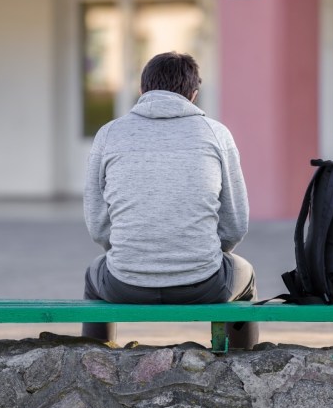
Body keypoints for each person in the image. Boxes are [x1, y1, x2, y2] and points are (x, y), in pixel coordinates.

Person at [81, 51, 259, 349]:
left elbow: (98, 225)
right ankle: (242, 366)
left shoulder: (109, 134)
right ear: (193, 94)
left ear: (142, 91)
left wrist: (134, 254)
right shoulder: (216, 134)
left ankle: (98, 365)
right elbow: (236, 225)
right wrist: (202, 254)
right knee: (247, 275)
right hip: (204, 284)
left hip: (125, 283)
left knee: (93, 274)